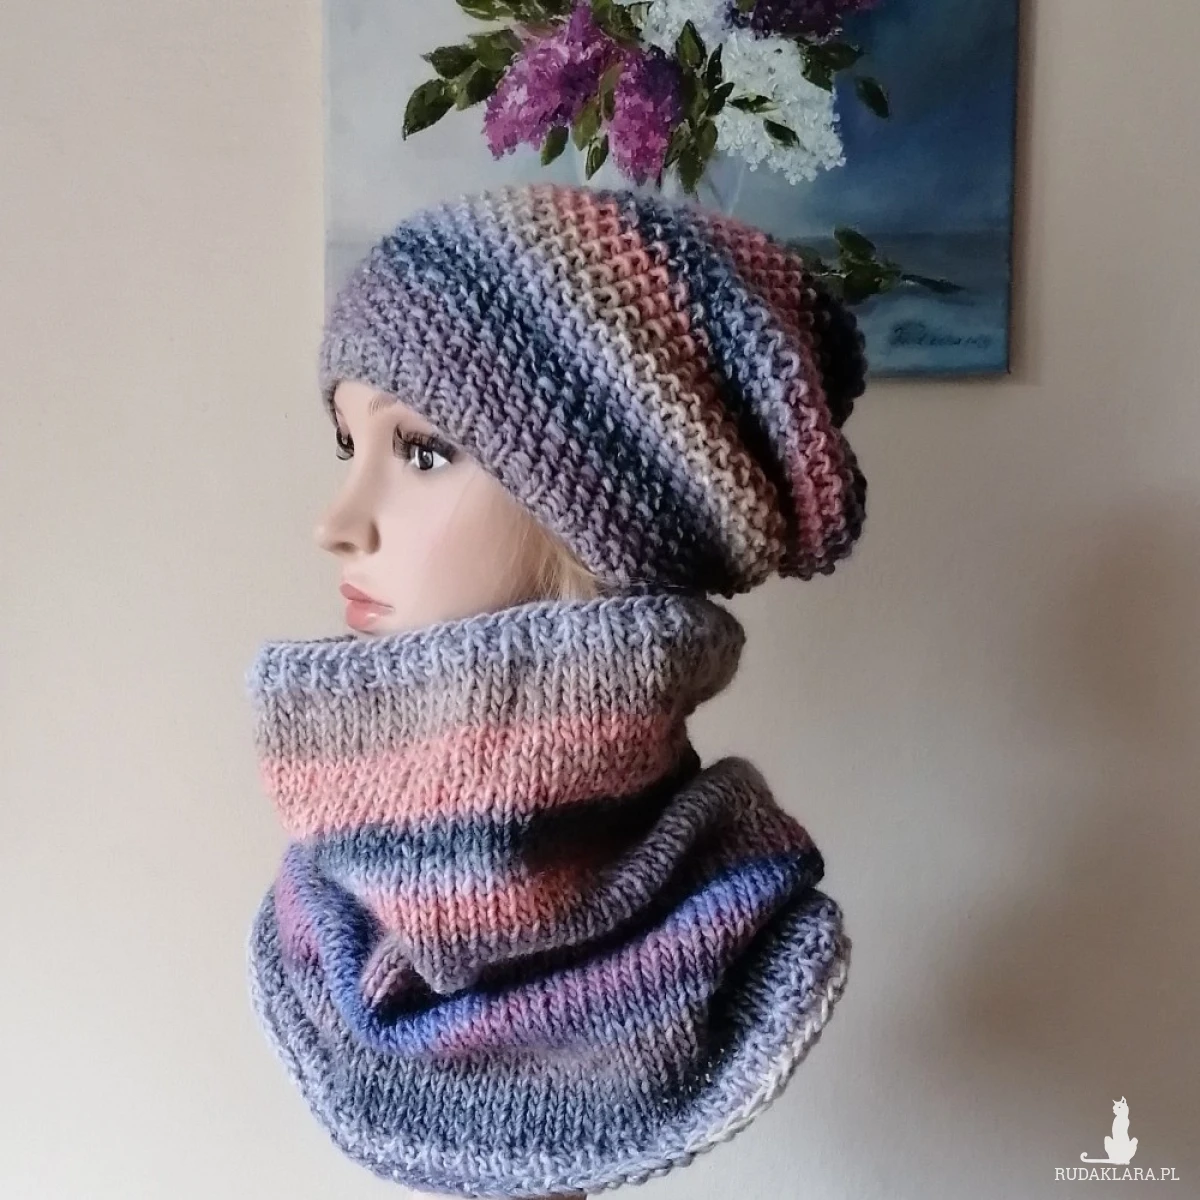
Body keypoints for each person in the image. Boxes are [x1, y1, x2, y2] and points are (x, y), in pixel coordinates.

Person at [245, 180, 869, 1198]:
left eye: (422, 450)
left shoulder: (744, 931)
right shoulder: (320, 925)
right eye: (348, 447)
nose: (338, 522)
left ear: (606, 519)